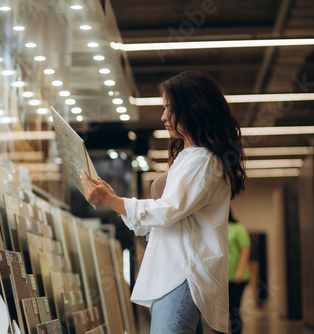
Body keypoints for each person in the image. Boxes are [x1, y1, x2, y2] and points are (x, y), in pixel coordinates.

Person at [80, 70, 246, 334]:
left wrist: (112, 201)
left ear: (193, 108)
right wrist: (114, 199)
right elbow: (162, 219)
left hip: (181, 277)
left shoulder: (202, 159)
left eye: (170, 108)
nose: (163, 116)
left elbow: (168, 211)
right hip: (175, 276)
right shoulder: (191, 157)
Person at [222, 209, 251, 334]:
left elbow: (245, 250)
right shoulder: (216, 226)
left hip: (236, 277)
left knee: (233, 310)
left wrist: (239, 270)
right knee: (219, 312)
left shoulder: (238, 228)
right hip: (220, 278)